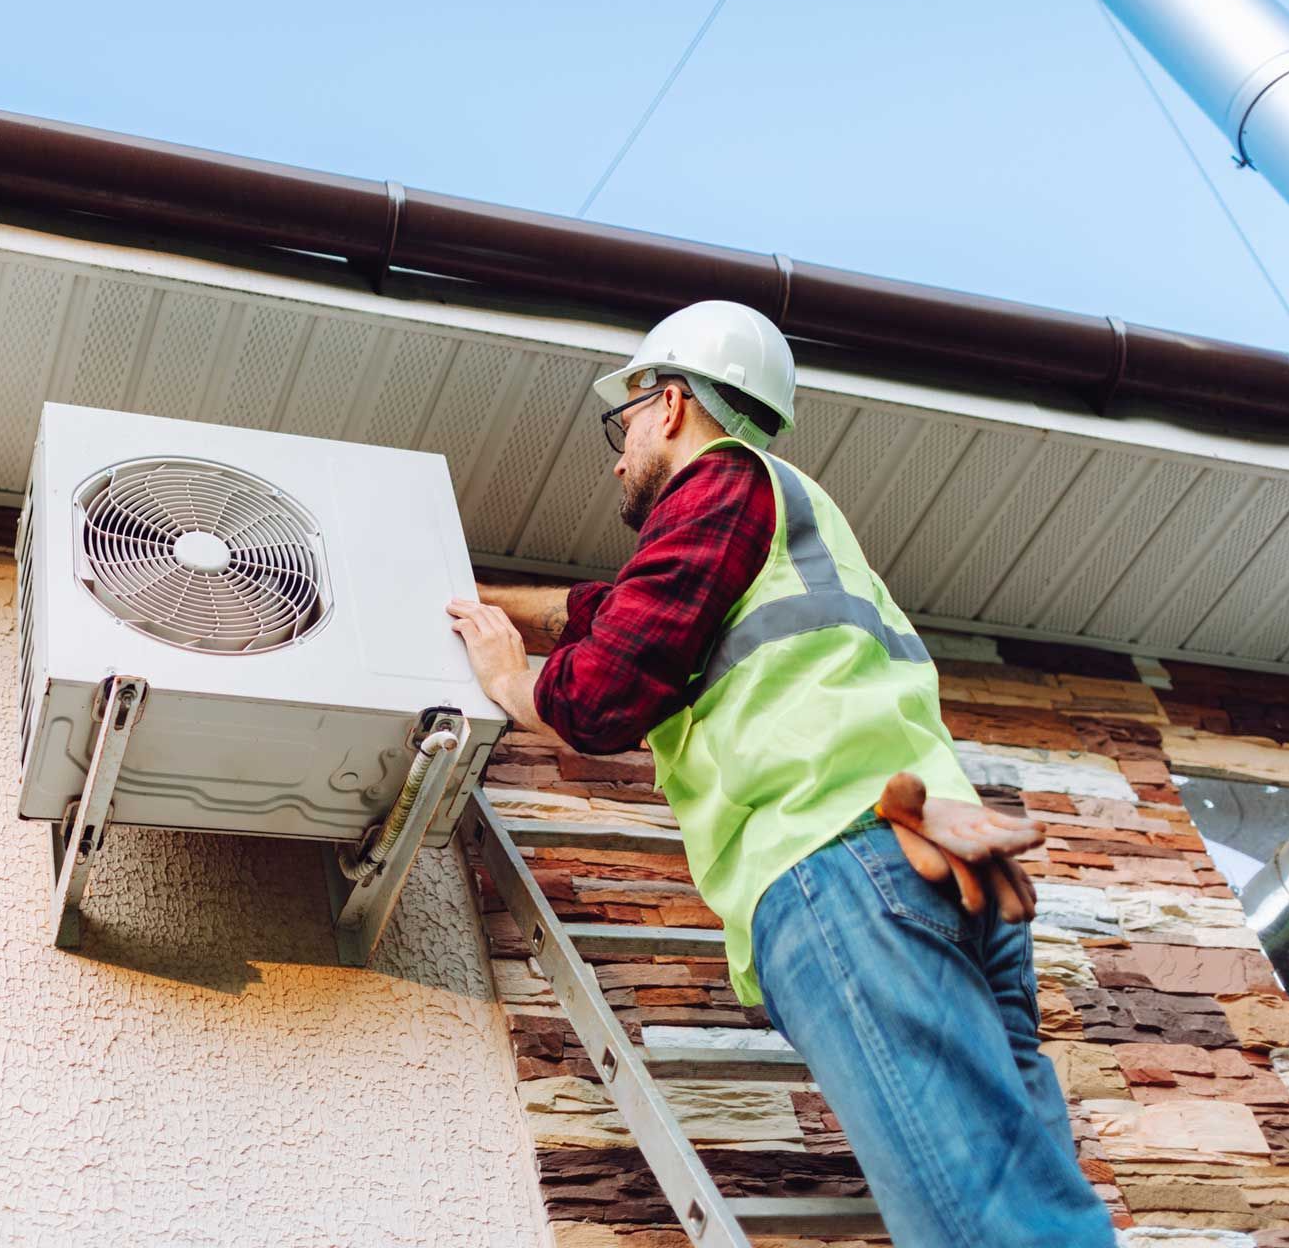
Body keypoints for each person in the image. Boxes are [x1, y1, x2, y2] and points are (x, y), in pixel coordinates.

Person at [446, 301, 1114, 1247]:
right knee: (1030, 1203)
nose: (616, 450)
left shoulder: (718, 488)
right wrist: (476, 596)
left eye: (624, 420)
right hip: (949, 860)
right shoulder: (786, 514)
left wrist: (516, 684)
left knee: (980, 1227)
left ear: (671, 404)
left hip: (840, 861)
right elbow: (612, 608)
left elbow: (600, 696)